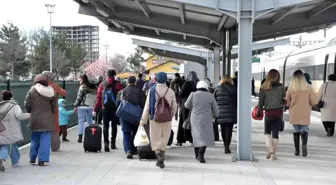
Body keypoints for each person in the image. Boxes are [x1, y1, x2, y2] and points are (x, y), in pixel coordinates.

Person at [139, 72, 177, 169]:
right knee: (164, 136)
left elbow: (147, 107)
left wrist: (143, 120)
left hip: (154, 118)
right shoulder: (170, 91)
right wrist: (171, 114)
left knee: (155, 137)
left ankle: (158, 154)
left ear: (156, 79)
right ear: (165, 80)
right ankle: (162, 157)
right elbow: (174, 106)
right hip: (167, 118)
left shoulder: (151, 90)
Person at [24, 74, 57, 166]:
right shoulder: (52, 91)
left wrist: (30, 111)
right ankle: (42, 160)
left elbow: (26, 103)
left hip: (35, 118)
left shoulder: (32, 90)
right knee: (45, 139)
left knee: (34, 139)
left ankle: (32, 158)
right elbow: (54, 106)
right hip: (47, 118)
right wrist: (51, 114)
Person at [185, 81, 218, 163]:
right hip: (207, 119)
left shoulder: (193, 94)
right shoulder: (210, 96)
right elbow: (216, 110)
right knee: (205, 137)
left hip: (195, 119)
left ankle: (197, 155)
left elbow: (186, 105)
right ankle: (201, 155)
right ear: (206, 87)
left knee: (196, 136)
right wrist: (214, 116)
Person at [286, 70, 317, 157]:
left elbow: (287, 101)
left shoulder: (291, 87)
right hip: (305, 112)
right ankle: (304, 147)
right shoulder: (309, 87)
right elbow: (314, 101)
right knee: (304, 130)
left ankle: (296, 150)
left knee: (296, 131)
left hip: (294, 112)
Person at [256, 69, 285, 160]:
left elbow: (261, 102)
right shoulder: (281, 87)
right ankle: (273, 154)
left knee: (267, 133)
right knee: (275, 133)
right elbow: (284, 99)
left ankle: (270, 151)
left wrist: (259, 111)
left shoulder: (264, 87)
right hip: (278, 112)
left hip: (269, 112)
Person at [93, 69, 124, 152]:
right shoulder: (118, 85)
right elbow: (122, 97)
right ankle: (113, 143)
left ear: (107, 75)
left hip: (105, 108)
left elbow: (98, 98)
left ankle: (106, 143)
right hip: (115, 108)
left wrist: (95, 110)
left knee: (105, 126)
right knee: (114, 126)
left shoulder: (102, 85)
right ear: (114, 75)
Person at [0, 91, 30, 172]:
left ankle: (15, 161)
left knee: (10, 144)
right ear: (11, 97)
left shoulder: (1, 105)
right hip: (11, 129)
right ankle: (2, 158)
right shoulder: (14, 106)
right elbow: (19, 116)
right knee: (7, 145)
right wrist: (29, 114)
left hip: (1, 129)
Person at [118, 76, 146, 159]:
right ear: (135, 82)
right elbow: (143, 105)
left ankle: (128, 150)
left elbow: (117, 103)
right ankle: (134, 149)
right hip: (136, 116)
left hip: (124, 115)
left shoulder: (121, 92)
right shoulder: (140, 92)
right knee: (135, 132)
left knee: (126, 133)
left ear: (127, 82)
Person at [42, 71, 67, 151]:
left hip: (41, 110)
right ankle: (55, 146)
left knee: (42, 129)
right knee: (54, 128)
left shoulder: (38, 86)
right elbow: (64, 93)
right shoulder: (53, 86)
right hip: (53, 109)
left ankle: (42, 146)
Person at [214, 75, 237, 154]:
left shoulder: (217, 89)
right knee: (229, 130)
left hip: (220, 112)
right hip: (231, 112)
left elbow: (214, 101)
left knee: (223, 129)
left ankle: (225, 144)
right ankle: (227, 146)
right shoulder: (234, 89)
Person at [176, 71, 198, 146]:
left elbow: (181, 94)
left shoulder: (186, 83)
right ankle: (192, 140)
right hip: (194, 104)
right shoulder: (197, 83)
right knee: (193, 122)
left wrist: (179, 91)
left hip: (185, 104)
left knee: (183, 121)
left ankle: (180, 140)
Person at [74, 74, 96, 143]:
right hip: (90, 106)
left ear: (82, 80)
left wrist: (75, 106)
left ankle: (80, 137)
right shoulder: (93, 87)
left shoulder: (82, 87)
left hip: (82, 106)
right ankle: (93, 135)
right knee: (90, 121)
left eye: (80, 80)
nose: (79, 81)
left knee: (81, 122)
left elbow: (79, 98)